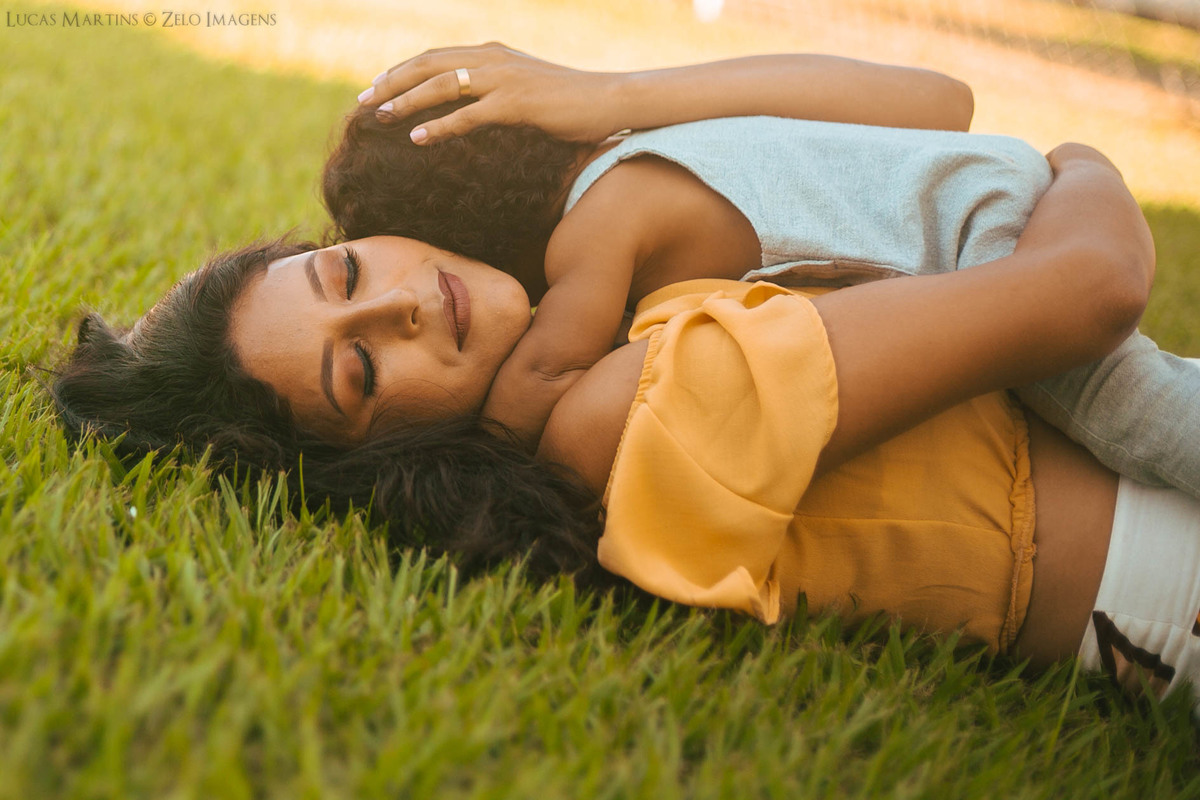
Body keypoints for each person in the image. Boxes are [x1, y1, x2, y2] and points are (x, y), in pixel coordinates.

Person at [331, 45, 1200, 498]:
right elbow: (948, 105)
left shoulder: (595, 232)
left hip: (979, 235)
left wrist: (469, 441)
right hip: (994, 178)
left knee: (1132, 409)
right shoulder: (643, 147)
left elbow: (550, 366)